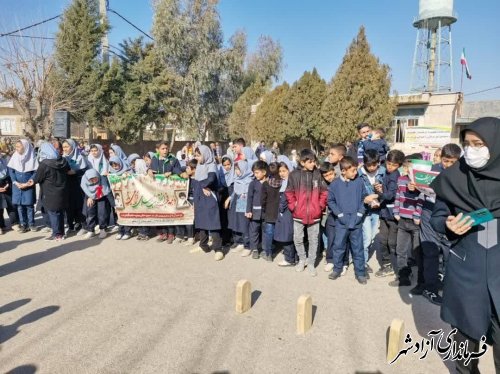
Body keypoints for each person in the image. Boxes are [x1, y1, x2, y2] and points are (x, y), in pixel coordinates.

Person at [430, 117, 500, 373]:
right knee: (464, 358)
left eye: (478, 143)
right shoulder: (453, 178)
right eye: (467, 143)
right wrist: (447, 224)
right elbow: (437, 217)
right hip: (465, 278)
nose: (471, 150)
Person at [417, 143, 461, 305]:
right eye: (445, 161)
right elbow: (420, 188)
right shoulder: (431, 170)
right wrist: (414, 186)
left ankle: (451, 288)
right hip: (429, 212)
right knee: (430, 252)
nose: (447, 165)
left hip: (451, 216)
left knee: (450, 253)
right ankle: (430, 289)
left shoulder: (463, 173)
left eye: (452, 162)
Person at [285, 149, 328, 277]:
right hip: (298, 215)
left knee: (313, 240)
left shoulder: (317, 174)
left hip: (315, 215)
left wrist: (319, 206)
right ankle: (302, 259)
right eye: (310, 162)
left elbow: (324, 192)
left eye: (314, 161)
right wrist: (293, 206)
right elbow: (289, 192)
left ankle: (311, 263)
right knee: (297, 238)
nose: (313, 164)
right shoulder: (294, 175)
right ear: (302, 162)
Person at [328, 157, 368, 284]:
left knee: (358, 248)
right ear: (343, 171)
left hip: (356, 222)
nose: (355, 173)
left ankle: (360, 272)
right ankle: (337, 269)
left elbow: (364, 199)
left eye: (356, 170)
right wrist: (339, 214)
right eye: (353, 170)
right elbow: (331, 201)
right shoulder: (335, 184)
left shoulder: (359, 182)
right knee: (338, 246)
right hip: (341, 223)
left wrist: (360, 214)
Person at [390, 155, 425, 287]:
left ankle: (422, 280)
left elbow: (422, 199)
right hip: (402, 221)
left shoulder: (421, 182)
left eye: (410, 167)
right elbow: (398, 196)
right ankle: (404, 275)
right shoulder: (401, 179)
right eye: (405, 167)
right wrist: (396, 212)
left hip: (415, 222)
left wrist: (417, 215)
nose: (407, 170)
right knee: (400, 250)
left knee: (417, 252)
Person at [29, 142, 70, 241]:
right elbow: (68, 171)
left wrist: (30, 182)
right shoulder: (63, 160)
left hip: (50, 192)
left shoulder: (44, 164)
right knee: (59, 212)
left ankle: (56, 234)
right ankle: (61, 233)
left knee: (53, 213)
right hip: (62, 191)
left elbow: (38, 178)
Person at [374, 150, 405, 278]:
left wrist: (379, 193)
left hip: (393, 214)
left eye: (394, 165)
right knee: (382, 240)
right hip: (384, 212)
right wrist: (380, 188)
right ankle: (387, 265)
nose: (390, 167)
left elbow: (390, 195)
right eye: (388, 163)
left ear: (399, 165)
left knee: (393, 243)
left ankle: (401, 268)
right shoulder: (387, 173)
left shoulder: (395, 176)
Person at [191, 145, 224, 261]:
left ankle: (218, 249)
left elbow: (211, 178)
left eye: (199, 155)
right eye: (196, 155)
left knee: (212, 223)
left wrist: (204, 185)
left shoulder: (211, 165)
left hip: (209, 196)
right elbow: (197, 181)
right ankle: (203, 245)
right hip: (200, 196)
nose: (197, 158)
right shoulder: (200, 165)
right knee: (201, 221)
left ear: (205, 154)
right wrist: (200, 188)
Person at [358, 149, 385, 273]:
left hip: (377, 210)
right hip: (365, 210)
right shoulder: (359, 173)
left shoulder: (383, 172)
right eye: (368, 165)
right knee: (367, 237)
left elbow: (388, 190)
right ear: (364, 163)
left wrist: (379, 195)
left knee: (373, 236)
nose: (372, 168)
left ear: (378, 163)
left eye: (374, 165)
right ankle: (362, 263)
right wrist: (367, 200)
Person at [149, 142, 182, 243]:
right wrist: (149, 170)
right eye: (162, 149)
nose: (165, 151)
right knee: (159, 211)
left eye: (166, 148)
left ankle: (171, 233)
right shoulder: (155, 159)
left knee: (169, 211)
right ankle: (162, 233)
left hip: (169, 190)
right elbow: (152, 170)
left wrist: (171, 172)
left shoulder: (173, 159)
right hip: (157, 190)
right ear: (157, 150)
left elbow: (179, 170)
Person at [8, 139, 38, 233]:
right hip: (17, 186)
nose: (17, 149)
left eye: (19, 146)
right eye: (16, 146)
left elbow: (36, 172)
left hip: (28, 185)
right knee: (20, 206)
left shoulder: (32, 157)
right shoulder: (14, 156)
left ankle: (31, 224)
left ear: (25, 147)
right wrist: (15, 182)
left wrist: (28, 183)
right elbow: (11, 170)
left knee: (29, 206)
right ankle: (24, 225)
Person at [62, 139, 89, 235]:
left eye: (67, 147)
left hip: (78, 184)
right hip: (67, 185)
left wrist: (76, 172)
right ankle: (71, 225)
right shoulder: (62, 158)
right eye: (64, 147)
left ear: (72, 147)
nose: (65, 149)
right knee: (69, 206)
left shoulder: (80, 157)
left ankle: (83, 225)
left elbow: (85, 170)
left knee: (79, 205)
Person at [274, 156, 297, 266]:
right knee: (289, 234)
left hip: (287, 212)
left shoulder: (289, 182)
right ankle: (293, 257)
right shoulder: (285, 182)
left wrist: (281, 209)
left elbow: (286, 199)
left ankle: (289, 259)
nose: (282, 173)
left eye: (284, 171)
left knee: (286, 234)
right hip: (286, 212)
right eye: (280, 171)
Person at [244, 160, 268, 258]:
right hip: (255, 212)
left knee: (265, 231)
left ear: (264, 172)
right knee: (254, 231)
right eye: (254, 172)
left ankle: (265, 249)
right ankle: (254, 249)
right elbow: (249, 197)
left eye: (257, 172)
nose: (255, 174)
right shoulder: (253, 184)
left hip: (266, 212)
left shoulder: (269, 182)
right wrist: (248, 210)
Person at [81, 169, 111, 239]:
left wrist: (114, 205)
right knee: (90, 213)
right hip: (90, 198)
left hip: (102, 197)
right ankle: (91, 230)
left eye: (95, 178)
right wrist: (89, 197)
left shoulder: (102, 179)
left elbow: (107, 192)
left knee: (102, 213)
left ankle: (102, 229)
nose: (94, 181)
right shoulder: (84, 180)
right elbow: (86, 190)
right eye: (91, 180)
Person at [319, 162, 336, 272]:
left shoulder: (340, 182)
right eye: (326, 175)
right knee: (330, 238)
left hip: (339, 215)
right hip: (327, 215)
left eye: (331, 174)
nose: (329, 177)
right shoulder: (322, 186)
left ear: (334, 172)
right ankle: (330, 259)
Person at [0, 157, 17, 234]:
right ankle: (1, 226)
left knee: (11, 205)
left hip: (6, 185)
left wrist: (7, 183)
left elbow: (9, 173)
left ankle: (14, 223)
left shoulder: (4, 160)